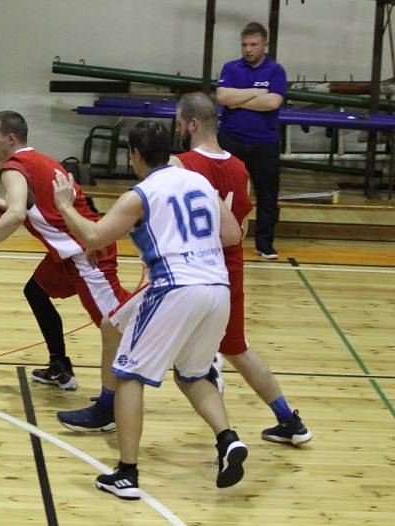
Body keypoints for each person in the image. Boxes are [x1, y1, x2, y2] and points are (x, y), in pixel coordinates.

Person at [52, 120, 246, 499]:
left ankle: (127, 473)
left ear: (135, 155)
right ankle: (228, 440)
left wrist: (63, 205)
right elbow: (232, 235)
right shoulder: (199, 182)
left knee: (128, 375)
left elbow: (93, 235)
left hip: (176, 287)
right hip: (216, 287)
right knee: (192, 374)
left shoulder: (139, 195)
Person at [0, 110, 132, 433]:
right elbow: (33, 209)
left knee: (119, 326)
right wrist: (12, 207)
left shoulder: (13, 168)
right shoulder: (37, 161)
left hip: (87, 254)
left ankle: (119, 402)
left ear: (10, 140)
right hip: (69, 255)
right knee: (36, 290)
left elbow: (15, 215)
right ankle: (60, 367)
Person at [170, 91, 312, 445]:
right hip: (230, 269)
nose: (176, 128)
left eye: (178, 122)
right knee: (237, 347)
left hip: (193, 271)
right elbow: (241, 229)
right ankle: (289, 420)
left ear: (191, 124)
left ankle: (113, 406)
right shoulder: (239, 168)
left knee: (145, 340)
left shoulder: (180, 164)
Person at [216, 21, 286, 260]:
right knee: (224, 192)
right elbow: (223, 97)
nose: (248, 49)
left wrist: (239, 98)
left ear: (264, 45)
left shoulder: (276, 71)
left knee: (267, 194)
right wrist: (257, 92)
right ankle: (221, 238)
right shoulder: (230, 67)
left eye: (253, 45)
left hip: (264, 142)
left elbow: (273, 103)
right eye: (244, 44)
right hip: (231, 139)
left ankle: (264, 244)